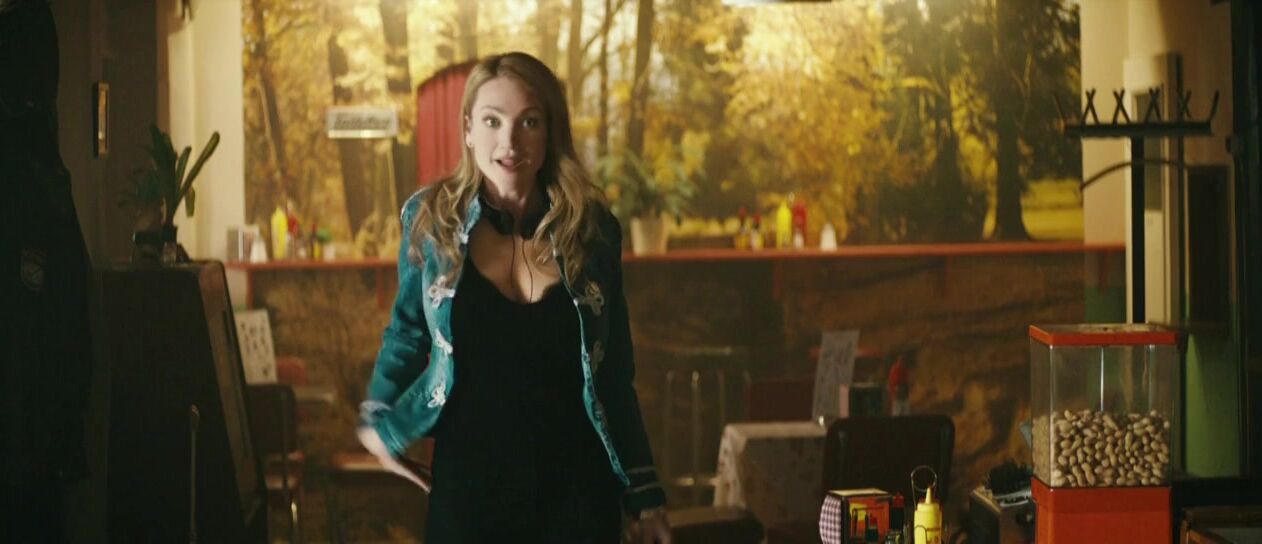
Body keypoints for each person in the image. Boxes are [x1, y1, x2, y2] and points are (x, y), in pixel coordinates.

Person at [357, 51, 671, 543]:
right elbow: (406, 334)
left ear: (550, 132)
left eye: (529, 121)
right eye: (492, 121)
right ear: (468, 129)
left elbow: (614, 377)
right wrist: (378, 421)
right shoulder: (431, 221)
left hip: (578, 496)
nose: (509, 141)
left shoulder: (593, 231)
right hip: (468, 493)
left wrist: (645, 495)